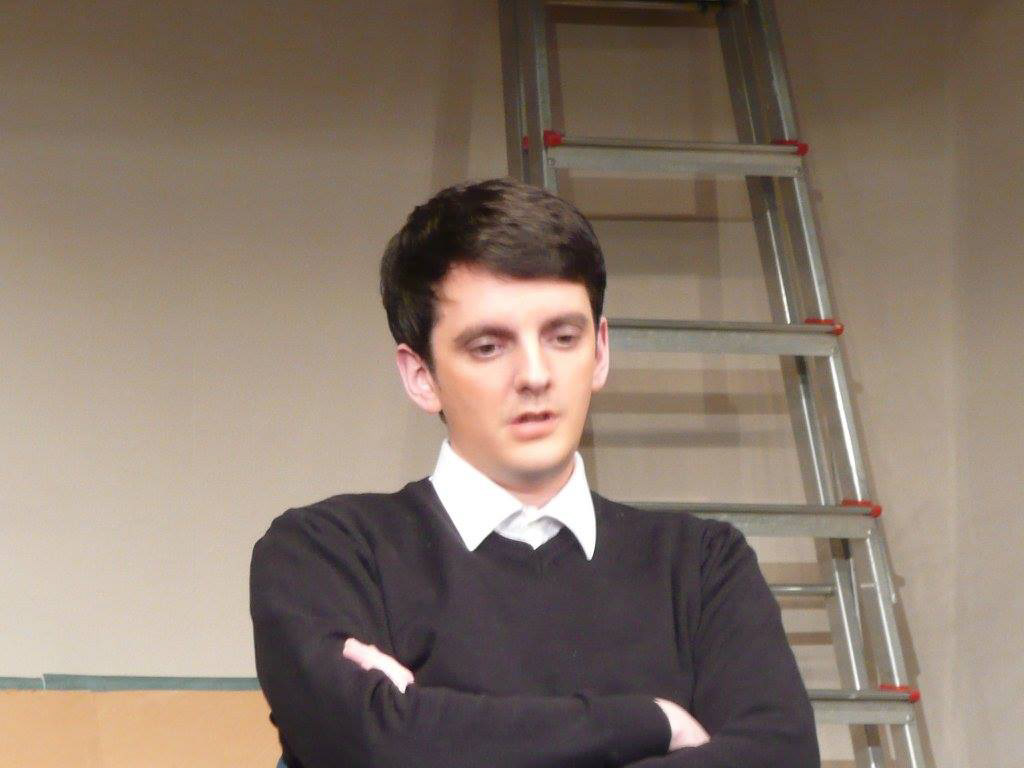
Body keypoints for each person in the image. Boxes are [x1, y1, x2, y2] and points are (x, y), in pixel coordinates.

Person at [249, 177, 820, 768]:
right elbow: (374, 743)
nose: (535, 375)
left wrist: (432, 730)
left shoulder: (702, 566)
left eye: (563, 337)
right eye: (488, 347)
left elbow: (781, 757)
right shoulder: (327, 553)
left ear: (600, 351)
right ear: (421, 376)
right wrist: (653, 721)